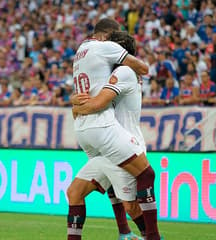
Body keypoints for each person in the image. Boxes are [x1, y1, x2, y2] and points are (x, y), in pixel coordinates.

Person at [67, 18, 160, 240]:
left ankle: (149, 236)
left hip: (124, 139)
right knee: (76, 192)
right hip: (111, 139)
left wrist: (77, 104)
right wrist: (76, 101)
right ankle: (126, 233)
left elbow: (97, 104)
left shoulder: (125, 73)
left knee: (131, 204)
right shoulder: (110, 75)